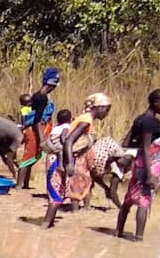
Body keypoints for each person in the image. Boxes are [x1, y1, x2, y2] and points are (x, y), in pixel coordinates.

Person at [43, 93, 113, 229]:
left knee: (59, 194)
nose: (107, 113)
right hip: (58, 159)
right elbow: (69, 141)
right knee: (56, 196)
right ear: (99, 107)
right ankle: (44, 228)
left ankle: (47, 227)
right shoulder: (86, 120)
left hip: (62, 158)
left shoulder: (86, 119)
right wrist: (69, 163)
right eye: (106, 109)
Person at [115, 89, 160, 241]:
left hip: (140, 163)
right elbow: (148, 149)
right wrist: (150, 175)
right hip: (149, 165)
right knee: (144, 200)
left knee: (129, 198)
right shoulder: (149, 122)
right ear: (156, 102)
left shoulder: (140, 119)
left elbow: (127, 142)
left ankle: (118, 232)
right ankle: (139, 237)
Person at [15, 67, 61, 190]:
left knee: (31, 158)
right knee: (28, 157)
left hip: (37, 129)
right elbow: (37, 120)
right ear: (52, 84)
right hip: (35, 131)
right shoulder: (41, 98)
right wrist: (41, 138)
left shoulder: (40, 95)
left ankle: (25, 184)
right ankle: (19, 185)